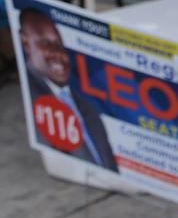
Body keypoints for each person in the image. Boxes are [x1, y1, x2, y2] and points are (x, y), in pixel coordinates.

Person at [18, 9, 118, 172]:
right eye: (45, 44)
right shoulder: (34, 98)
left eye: (59, 45)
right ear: (26, 43)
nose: (58, 54)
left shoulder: (88, 108)